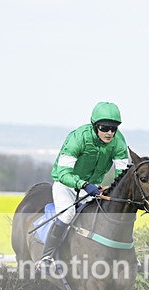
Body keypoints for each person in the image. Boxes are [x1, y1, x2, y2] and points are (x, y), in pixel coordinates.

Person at [38, 102, 130, 271]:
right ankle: (46, 257)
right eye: (105, 128)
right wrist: (84, 185)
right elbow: (64, 173)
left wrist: (116, 190)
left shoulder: (118, 141)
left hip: (92, 188)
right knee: (67, 215)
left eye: (114, 128)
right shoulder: (78, 138)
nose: (110, 133)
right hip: (66, 186)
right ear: (95, 126)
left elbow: (122, 173)